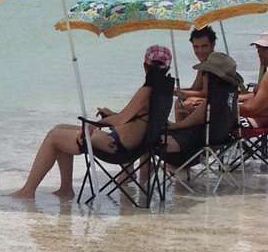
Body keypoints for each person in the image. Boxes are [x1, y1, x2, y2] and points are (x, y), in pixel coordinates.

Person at [11, 45, 175, 200]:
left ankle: (28, 190)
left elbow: (120, 120)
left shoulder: (147, 90)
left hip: (118, 147)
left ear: (145, 65)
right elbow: (137, 118)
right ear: (168, 67)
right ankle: (65, 189)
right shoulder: (164, 88)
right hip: (128, 143)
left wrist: (93, 125)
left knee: (54, 137)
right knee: (60, 128)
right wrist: (109, 115)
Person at [173, 25, 244, 128]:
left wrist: (174, 92)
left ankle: (182, 133)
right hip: (220, 100)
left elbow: (206, 93)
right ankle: (184, 131)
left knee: (182, 105)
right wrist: (174, 91)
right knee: (181, 101)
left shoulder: (215, 65)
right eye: (196, 47)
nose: (200, 51)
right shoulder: (205, 63)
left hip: (229, 103)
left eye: (204, 46)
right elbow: (195, 89)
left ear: (213, 45)